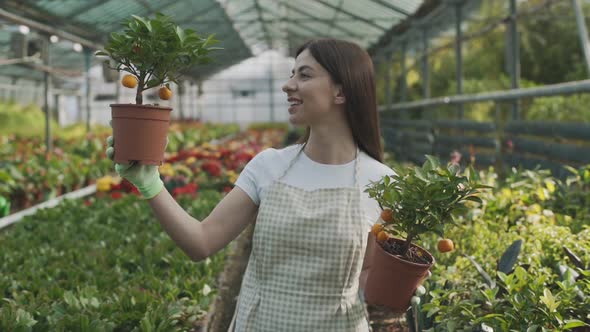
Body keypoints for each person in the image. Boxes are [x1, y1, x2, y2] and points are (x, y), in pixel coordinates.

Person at [106, 39, 397, 331]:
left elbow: (371, 279)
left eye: (304, 75)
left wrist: (403, 281)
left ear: (341, 91)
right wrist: (149, 183)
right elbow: (202, 241)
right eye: (291, 74)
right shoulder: (268, 166)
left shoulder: (382, 183)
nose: (288, 85)